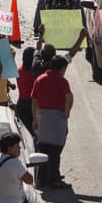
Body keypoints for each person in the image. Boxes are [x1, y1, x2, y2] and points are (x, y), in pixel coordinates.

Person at [32, 54, 74, 188]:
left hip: (43, 116)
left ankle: (41, 178)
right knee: (55, 150)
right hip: (58, 117)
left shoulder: (39, 79)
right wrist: (67, 112)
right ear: (62, 68)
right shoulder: (62, 81)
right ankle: (53, 179)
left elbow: (34, 100)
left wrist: (35, 117)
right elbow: (69, 96)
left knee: (43, 148)